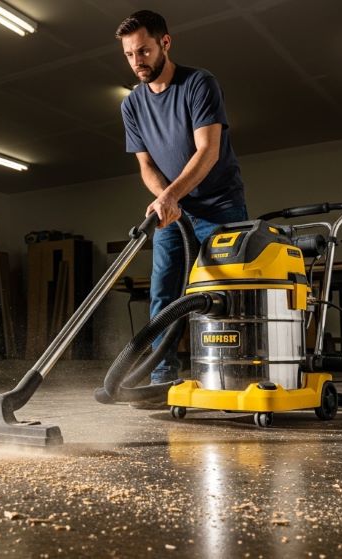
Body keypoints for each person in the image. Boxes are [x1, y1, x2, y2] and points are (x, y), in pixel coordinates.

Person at [117, 10, 248, 391]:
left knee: (221, 291)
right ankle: (162, 375)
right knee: (163, 290)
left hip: (220, 204)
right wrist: (165, 200)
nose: (137, 62)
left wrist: (172, 195)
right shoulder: (132, 105)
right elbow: (146, 165)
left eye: (143, 51)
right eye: (129, 55)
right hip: (174, 212)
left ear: (165, 43)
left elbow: (208, 151)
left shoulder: (198, 84)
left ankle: (231, 373)